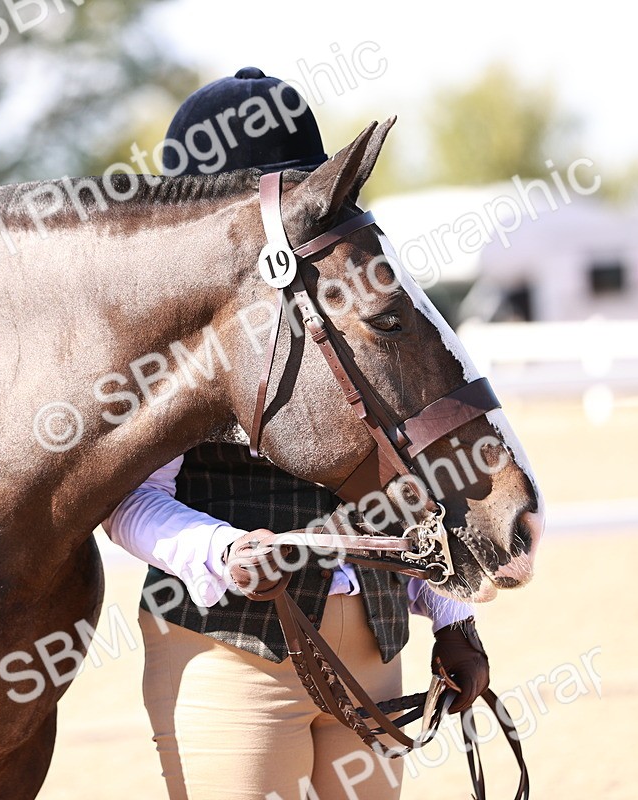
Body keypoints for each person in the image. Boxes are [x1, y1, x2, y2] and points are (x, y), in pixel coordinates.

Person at [103, 68, 491, 800]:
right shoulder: (170, 343)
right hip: (231, 647)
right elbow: (125, 504)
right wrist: (217, 550)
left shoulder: (336, 304)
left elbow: (397, 469)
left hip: (373, 642)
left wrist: (450, 615)